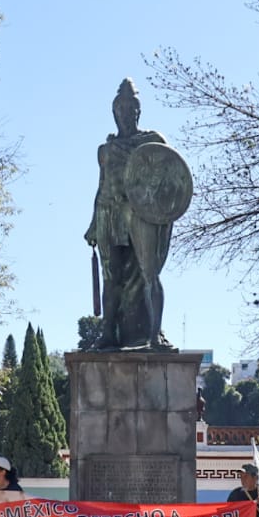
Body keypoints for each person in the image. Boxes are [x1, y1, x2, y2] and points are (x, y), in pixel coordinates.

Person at [85, 78, 178, 350]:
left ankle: (155, 334)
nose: (126, 115)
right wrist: (93, 223)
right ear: (115, 113)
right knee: (111, 277)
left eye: (131, 110)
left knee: (150, 274)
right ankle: (108, 334)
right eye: (121, 110)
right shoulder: (106, 149)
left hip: (139, 213)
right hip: (108, 212)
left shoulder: (152, 142)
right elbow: (101, 185)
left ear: (138, 112)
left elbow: (172, 179)